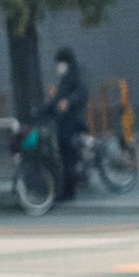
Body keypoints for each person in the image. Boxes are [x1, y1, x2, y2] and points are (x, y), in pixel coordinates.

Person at [49, 46, 90, 195]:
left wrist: (68, 102)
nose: (58, 66)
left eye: (60, 62)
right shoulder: (66, 77)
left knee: (68, 154)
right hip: (65, 120)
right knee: (66, 154)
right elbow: (58, 98)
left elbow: (82, 92)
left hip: (73, 120)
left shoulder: (76, 74)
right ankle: (70, 186)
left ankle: (69, 189)